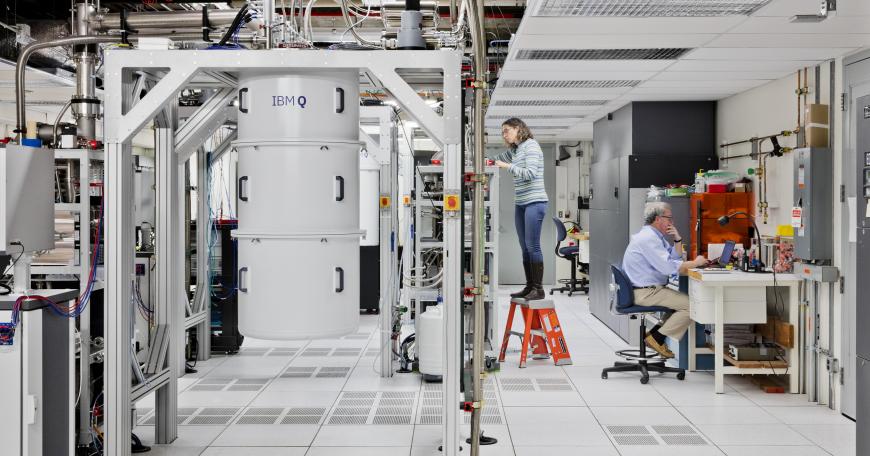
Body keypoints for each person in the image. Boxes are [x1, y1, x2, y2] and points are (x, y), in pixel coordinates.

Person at [622, 202, 708, 358]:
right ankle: (657, 338)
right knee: (692, 306)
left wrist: (677, 239)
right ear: (657, 219)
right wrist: (696, 263)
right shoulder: (648, 238)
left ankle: (654, 336)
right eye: (669, 218)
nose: (672, 222)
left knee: (680, 305)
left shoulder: (653, 236)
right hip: (646, 292)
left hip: (647, 290)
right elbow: (668, 267)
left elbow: (673, 257)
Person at [491, 118, 548, 300]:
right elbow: (495, 161)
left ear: (518, 129)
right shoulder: (515, 150)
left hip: (535, 202)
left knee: (532, 246)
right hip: (521, 203)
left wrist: (507, 166)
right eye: (503, 132)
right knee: (524, 247)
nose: (504, 135)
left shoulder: (531, 146)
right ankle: (529, 286)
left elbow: (530, 173)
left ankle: (538, 289)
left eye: (507, 130)